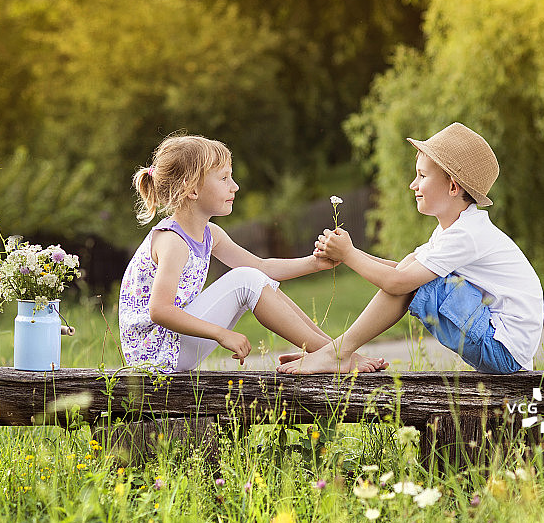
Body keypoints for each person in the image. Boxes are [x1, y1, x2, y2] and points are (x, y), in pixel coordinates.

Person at [277, 123, 543, 374]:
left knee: (412, 281)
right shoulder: (457, 229)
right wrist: (348, 254)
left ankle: (337, 353)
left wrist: (349, 254)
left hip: (501, 347)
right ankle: (334, 351)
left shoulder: (466, 234)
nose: (412, 185)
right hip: (500, 343)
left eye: (422, 176)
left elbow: (400, 283)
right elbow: (403, 270)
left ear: (452, 186)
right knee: (412, 265)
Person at [119, 133, 387, 372]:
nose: (234, 186)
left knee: (255, 278)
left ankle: (333, 351)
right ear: (192, 189)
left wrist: (314, 263)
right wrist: (221, 333)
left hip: (173, 347)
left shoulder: (210, 234)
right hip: (155, 355)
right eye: (224, 178)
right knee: (245, 280)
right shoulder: (172, 241)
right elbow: (159, 311)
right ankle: (334, 354)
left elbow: (263, 268)